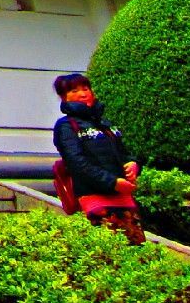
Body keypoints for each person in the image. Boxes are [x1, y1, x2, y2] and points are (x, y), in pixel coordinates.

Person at [52, 72, 145, 245]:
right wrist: (112, 182)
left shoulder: (106, 124)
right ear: (64, 97)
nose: (82, 94)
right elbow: (77, 163)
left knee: (135, 250)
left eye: (85, 89)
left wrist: (133, 164)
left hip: (123, 198)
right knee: (105, 251)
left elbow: (124, 153)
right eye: (74, 91)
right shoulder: (66, 126)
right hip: (93, 199)